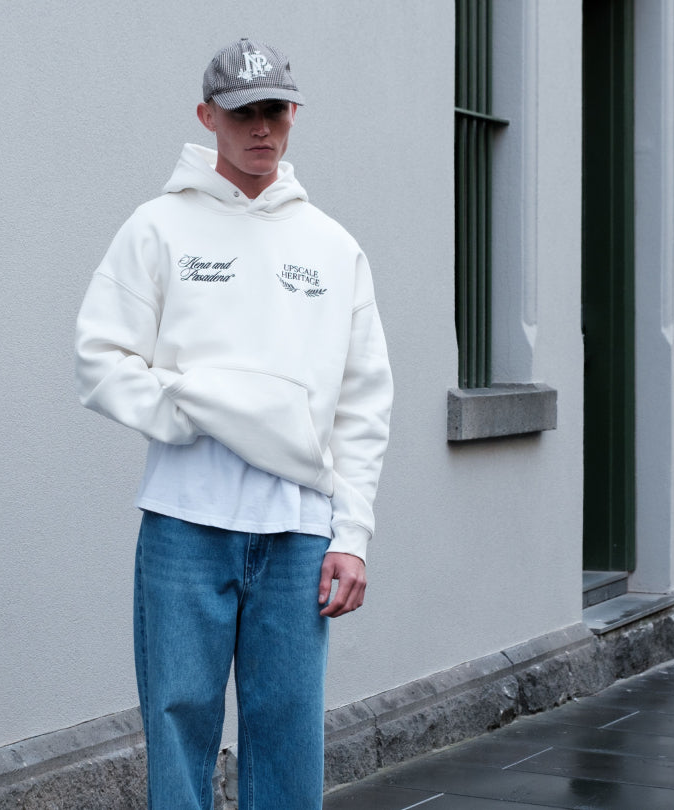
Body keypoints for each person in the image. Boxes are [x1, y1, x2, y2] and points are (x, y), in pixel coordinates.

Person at [74, 37, 393, 810]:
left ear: (294, 115)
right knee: (177, 726)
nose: (261, 128)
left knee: (288, 736)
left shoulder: (332, 247)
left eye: (275, 110)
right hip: (185, 523)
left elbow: (363, 402)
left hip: (298, 532)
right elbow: (100, 358)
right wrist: (191, 407)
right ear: (206, 115)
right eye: (243, 111)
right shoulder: (157, 229)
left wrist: (351, 535)